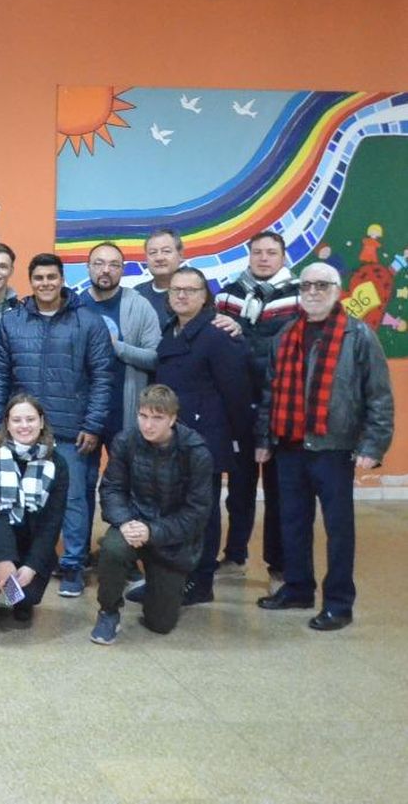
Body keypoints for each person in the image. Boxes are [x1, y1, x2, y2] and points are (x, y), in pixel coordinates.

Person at [255, 263, 394, 631]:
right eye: (307, 285)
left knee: (338, 530)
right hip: (289, 446)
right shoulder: (286, 335)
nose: (313, 291)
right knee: (292, 523)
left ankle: (338, 603)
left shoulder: (359, 335)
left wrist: (373, 445)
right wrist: (264, 440)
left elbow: (378, 397)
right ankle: (298, 588)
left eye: (322, 285)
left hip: (335, 448)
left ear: (337, 289)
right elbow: (270, 393)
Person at [0, 252, 115, 598]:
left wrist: (93, 424)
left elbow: (103, 377)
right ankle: (20, 563)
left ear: (62, 280)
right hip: (22, 431)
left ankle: (72, 566)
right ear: (31, 282)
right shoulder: (13, 322)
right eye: (39, 278)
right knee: (17, 499)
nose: (45, 283)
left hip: (72, 430)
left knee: (73, 501)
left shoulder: (87, 322)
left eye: (52, 277)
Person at [152, 267, 252, 606]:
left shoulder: (217, 334)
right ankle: (173, 578)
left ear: (205, 296)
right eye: (176, 290)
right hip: (171, 441)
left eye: (190, 290)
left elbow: (236, 393)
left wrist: (239, 441)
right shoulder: (171, 331)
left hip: (204, 442)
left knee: (202, 515)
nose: (182, 295)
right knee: (174, 511)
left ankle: (200, 581)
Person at [90, 385, 212, 644]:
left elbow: (197, 513)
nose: (148, 425)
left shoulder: (196, 451)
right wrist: (124, 522)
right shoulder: (125, 441)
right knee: (112, 548)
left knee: (160, 624)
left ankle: (156, 586)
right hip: (132, 525)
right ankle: (108, 612)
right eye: (143, 416)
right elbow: (111, 488)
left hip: (169, 538)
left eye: (157, 418)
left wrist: (153, 532)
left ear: (172, 418)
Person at [214, 230, 300, 586]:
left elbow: (281, 351)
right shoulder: (228, 293)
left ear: (282, 256)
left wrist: (242, 335)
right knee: (239, 488)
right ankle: (234, 555)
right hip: (237, 407)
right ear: (249, 256)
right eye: (257, 253)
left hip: (281, 408)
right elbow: (220, 347)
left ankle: (278, 565)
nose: (264, 258)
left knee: (280, 491)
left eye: (271, 252)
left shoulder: (298, 294)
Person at [0, 394, 70, 632]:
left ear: (42, 421)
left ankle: (20, 600)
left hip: (33, 541)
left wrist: (32, 566)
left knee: (26, 597)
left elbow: (52, 522)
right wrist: (5, 557)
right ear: (6, 423)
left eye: (30, 419)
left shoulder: (57, 463)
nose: (24, 426)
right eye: (17, 420)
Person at [76, 242, 160, 443]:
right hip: (82, 413)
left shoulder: (139, 305)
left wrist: (117, 347)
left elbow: (156, 358)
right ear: (88, 267)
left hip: (124, 409)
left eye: (114, 265)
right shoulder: (74, 306)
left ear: (122, 269)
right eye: (99, 263)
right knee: (80, 474)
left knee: (126, 474)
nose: (106, 270)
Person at [133, 228, 182, 323]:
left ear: (180, 255)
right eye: (153, 253)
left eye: (166, 251)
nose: (159, 258)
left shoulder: (194, 290)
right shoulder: (137, 295)